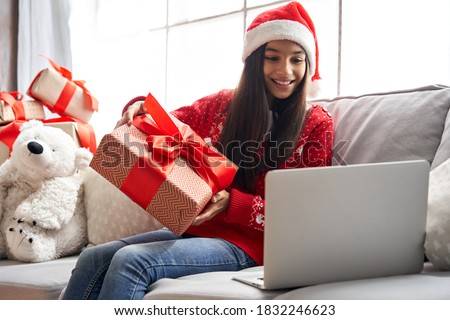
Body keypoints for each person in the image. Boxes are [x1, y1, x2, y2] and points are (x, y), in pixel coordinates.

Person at [62, 1, 334, 300]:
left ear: (309, 66)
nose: (286, 70)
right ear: (256, 61)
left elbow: (303, 213)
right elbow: (169, 123)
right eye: (273, 58)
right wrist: (139, 107)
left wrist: (234, 203)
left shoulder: (317, 125)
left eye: (297, 60)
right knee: (92, 258)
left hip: (260, 245)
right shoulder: (223, 105)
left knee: (132, 262)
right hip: (201, 232)